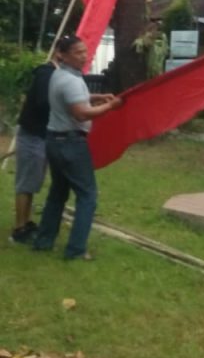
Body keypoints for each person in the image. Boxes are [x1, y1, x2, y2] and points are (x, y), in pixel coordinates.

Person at [33, 35, 122, 261]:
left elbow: (74, 98)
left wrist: (97, 96)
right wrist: (111, 106)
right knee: (87, 196)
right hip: (71, 143)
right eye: (77, 52)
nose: (83, 56)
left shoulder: (60, 74)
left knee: (58, 194)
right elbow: (81, 113)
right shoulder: (70, 81)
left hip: (54, 140)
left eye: (84, 51)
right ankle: (76, 250)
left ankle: (43, 241)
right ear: (62, 55)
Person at [9, 56, 58, 244]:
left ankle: (26, 222)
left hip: (41, 135)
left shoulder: (55, 74)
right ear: (60, 54)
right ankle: (19, 228)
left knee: (32, 182)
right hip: (32, 134)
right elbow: (44, 102)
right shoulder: (46, 73)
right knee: (26, 183)